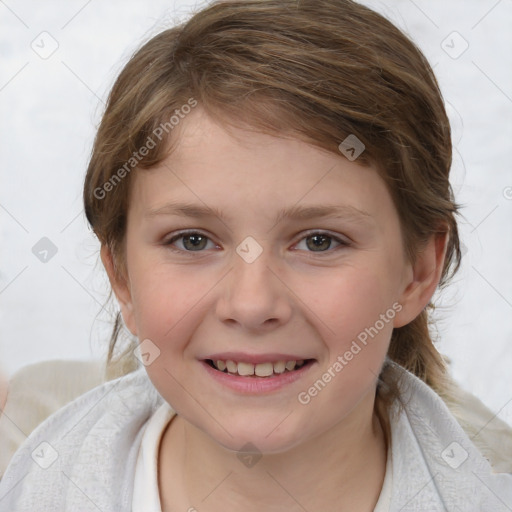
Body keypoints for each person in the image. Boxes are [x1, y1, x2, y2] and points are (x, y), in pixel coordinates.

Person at [0, 0, 511, 510]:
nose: (251, 304)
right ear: (122, 276)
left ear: (418, 271)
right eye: (193, 241)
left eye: (319, 241)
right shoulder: (19, 447)